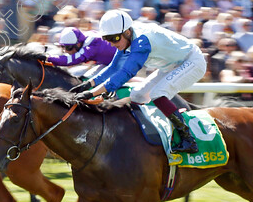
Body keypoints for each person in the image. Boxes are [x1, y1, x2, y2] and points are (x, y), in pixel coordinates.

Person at [70, 9, 206, 154]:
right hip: (171, 65)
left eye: (114, 38)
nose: (111, 44)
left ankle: (188, 139)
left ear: (127, 32)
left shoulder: (141, 41)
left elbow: (126, 73)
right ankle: (140, 135)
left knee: (158, 94)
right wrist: (88, 84)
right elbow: (113, 67)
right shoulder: (126, 37)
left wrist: (91, 93)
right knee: (137, 95)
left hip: (192, 61)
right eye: (107, 39)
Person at [47, 27, 117, 77]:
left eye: (68, 47)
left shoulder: (91, 47)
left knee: (92, 80)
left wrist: (48, 58)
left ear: (78, 44)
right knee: (86, 78)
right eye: (63, 47)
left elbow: (70, 60)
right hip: (109, 63)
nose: (65, 51)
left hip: (122, 62)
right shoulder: (84, 39)